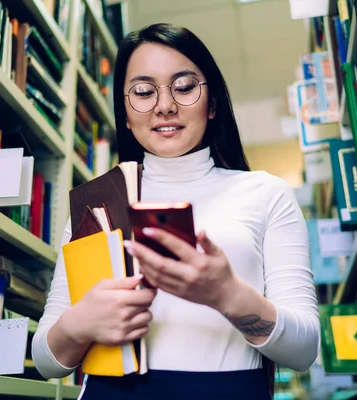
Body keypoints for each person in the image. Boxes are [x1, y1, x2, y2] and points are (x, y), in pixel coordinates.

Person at [32, 23, 320, 399]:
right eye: (143, 92)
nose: (165, 105)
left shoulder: (265, 193)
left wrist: (229, 296)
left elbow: (304, 350)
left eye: (184, 87)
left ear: (212, 103)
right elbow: (46, 361)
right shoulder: (97, 203)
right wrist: (79, 325)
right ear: (124, 110)